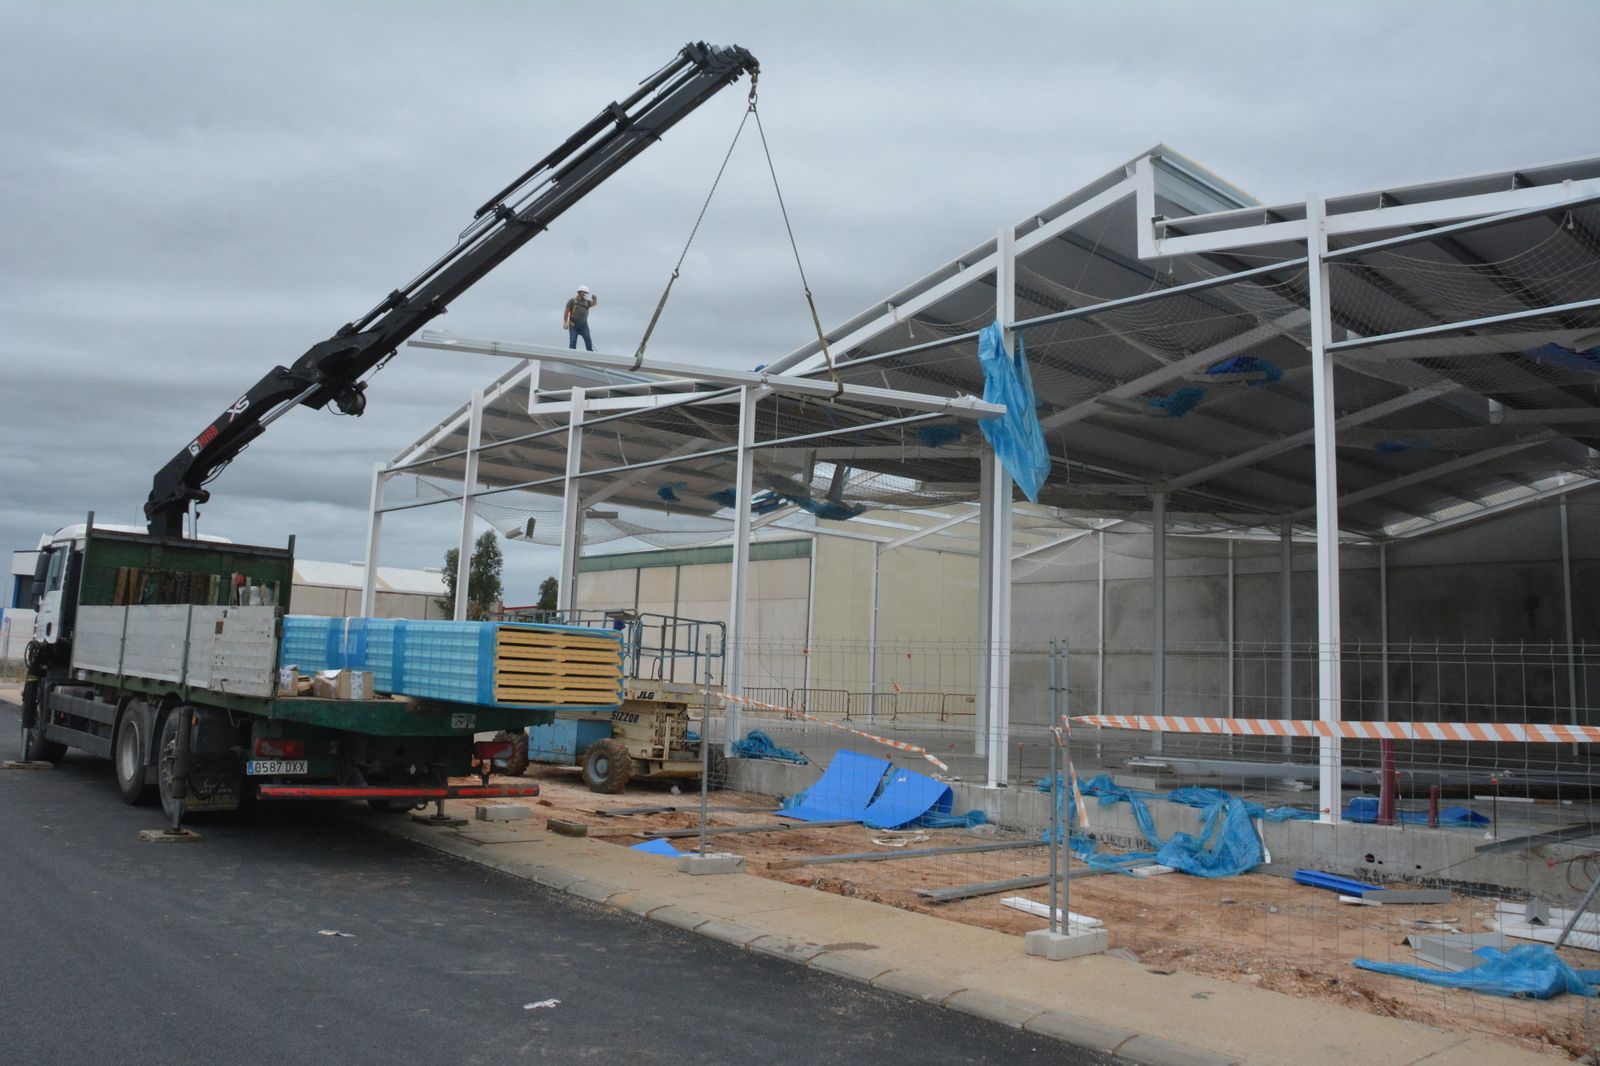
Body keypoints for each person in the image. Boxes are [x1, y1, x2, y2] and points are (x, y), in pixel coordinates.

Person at [564, 285, 598, 350]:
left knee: (588, 339)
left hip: (584, 326)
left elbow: (594, 304)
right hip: (573, 325)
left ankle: (590, 355)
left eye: (586, 293)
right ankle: (571, 356)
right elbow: (567, 311)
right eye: (584, 292)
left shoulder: (587, 302)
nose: (586, 294)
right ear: (579, 292)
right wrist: (565, 321)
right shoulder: (572, 301)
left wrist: (595, 299)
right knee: (573, 341)